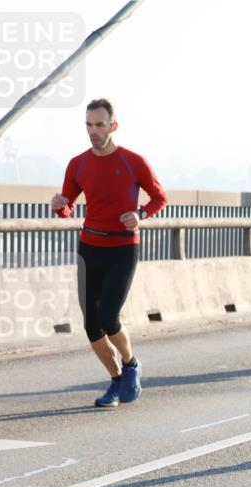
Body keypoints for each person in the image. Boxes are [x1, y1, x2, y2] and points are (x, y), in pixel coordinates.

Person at [51, 98, 167, 408]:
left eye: (99, 125)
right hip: (90, 247)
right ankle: (116, 379)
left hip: (123, 248)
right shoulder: (78, 164)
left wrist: (141, 214)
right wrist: (60, 205)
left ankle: (130, 363)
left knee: (109, 316)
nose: (93, 131)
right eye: (88, 125)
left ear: (113, 126)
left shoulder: (133, 161)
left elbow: (160, 197)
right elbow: (68, 206)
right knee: (91, 324)